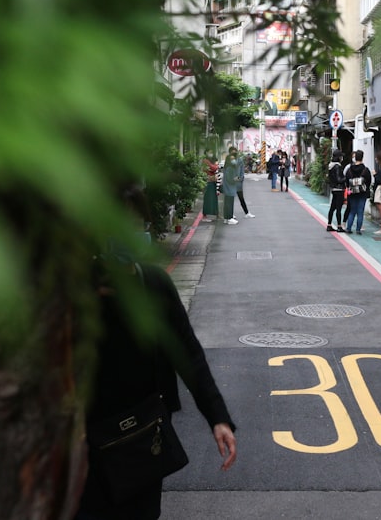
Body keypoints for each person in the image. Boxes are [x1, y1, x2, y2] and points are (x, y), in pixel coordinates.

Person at [78, 187, 237, 520]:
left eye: (134, 222)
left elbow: (188, 354)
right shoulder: (74, 292)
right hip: (87, 440)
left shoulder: (154, 284)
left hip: (144, 435)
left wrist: (217, 417)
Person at [343, 150, 372, 235]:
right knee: (360, 211)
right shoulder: (365, 170)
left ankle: (348, 228)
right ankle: (358, 229)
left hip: (352, 193)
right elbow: (368, 182)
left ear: (355, 157)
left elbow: (347, 182)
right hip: (362, 193)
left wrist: (350, 187)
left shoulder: (350, 169)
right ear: (362, 157)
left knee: (352, 211)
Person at [221, 147, 244, 225]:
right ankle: (229, 218)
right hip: (229, 188)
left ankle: (226, 218)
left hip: (228, 188)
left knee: (227, 203)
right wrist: (236, 179)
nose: (233, 160)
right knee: (229, 203)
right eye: (232, 159)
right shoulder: (230, 168)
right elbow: (230, 179)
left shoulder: (228, 167)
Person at [326, 149, 347, 232]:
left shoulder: (331, 165)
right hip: (339, 189)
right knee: (338, 208)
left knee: (332, 208)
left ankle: (329, 224)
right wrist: (346, 178)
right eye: (341, 156)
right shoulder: (338, 166)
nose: (342, 158)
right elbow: (339, 179)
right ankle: (339, 226)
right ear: (338, 157)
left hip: (334, 188)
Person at [201, 150, 220, 223]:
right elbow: (214, 168)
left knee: (214, 198)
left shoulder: (210, 161)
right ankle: (205, 215)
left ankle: (216, 213)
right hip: (208, 181)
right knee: (207, 199)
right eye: (209, 152)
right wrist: (216, 165)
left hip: (213, 181)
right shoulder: (206, 161)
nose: (211, 154)